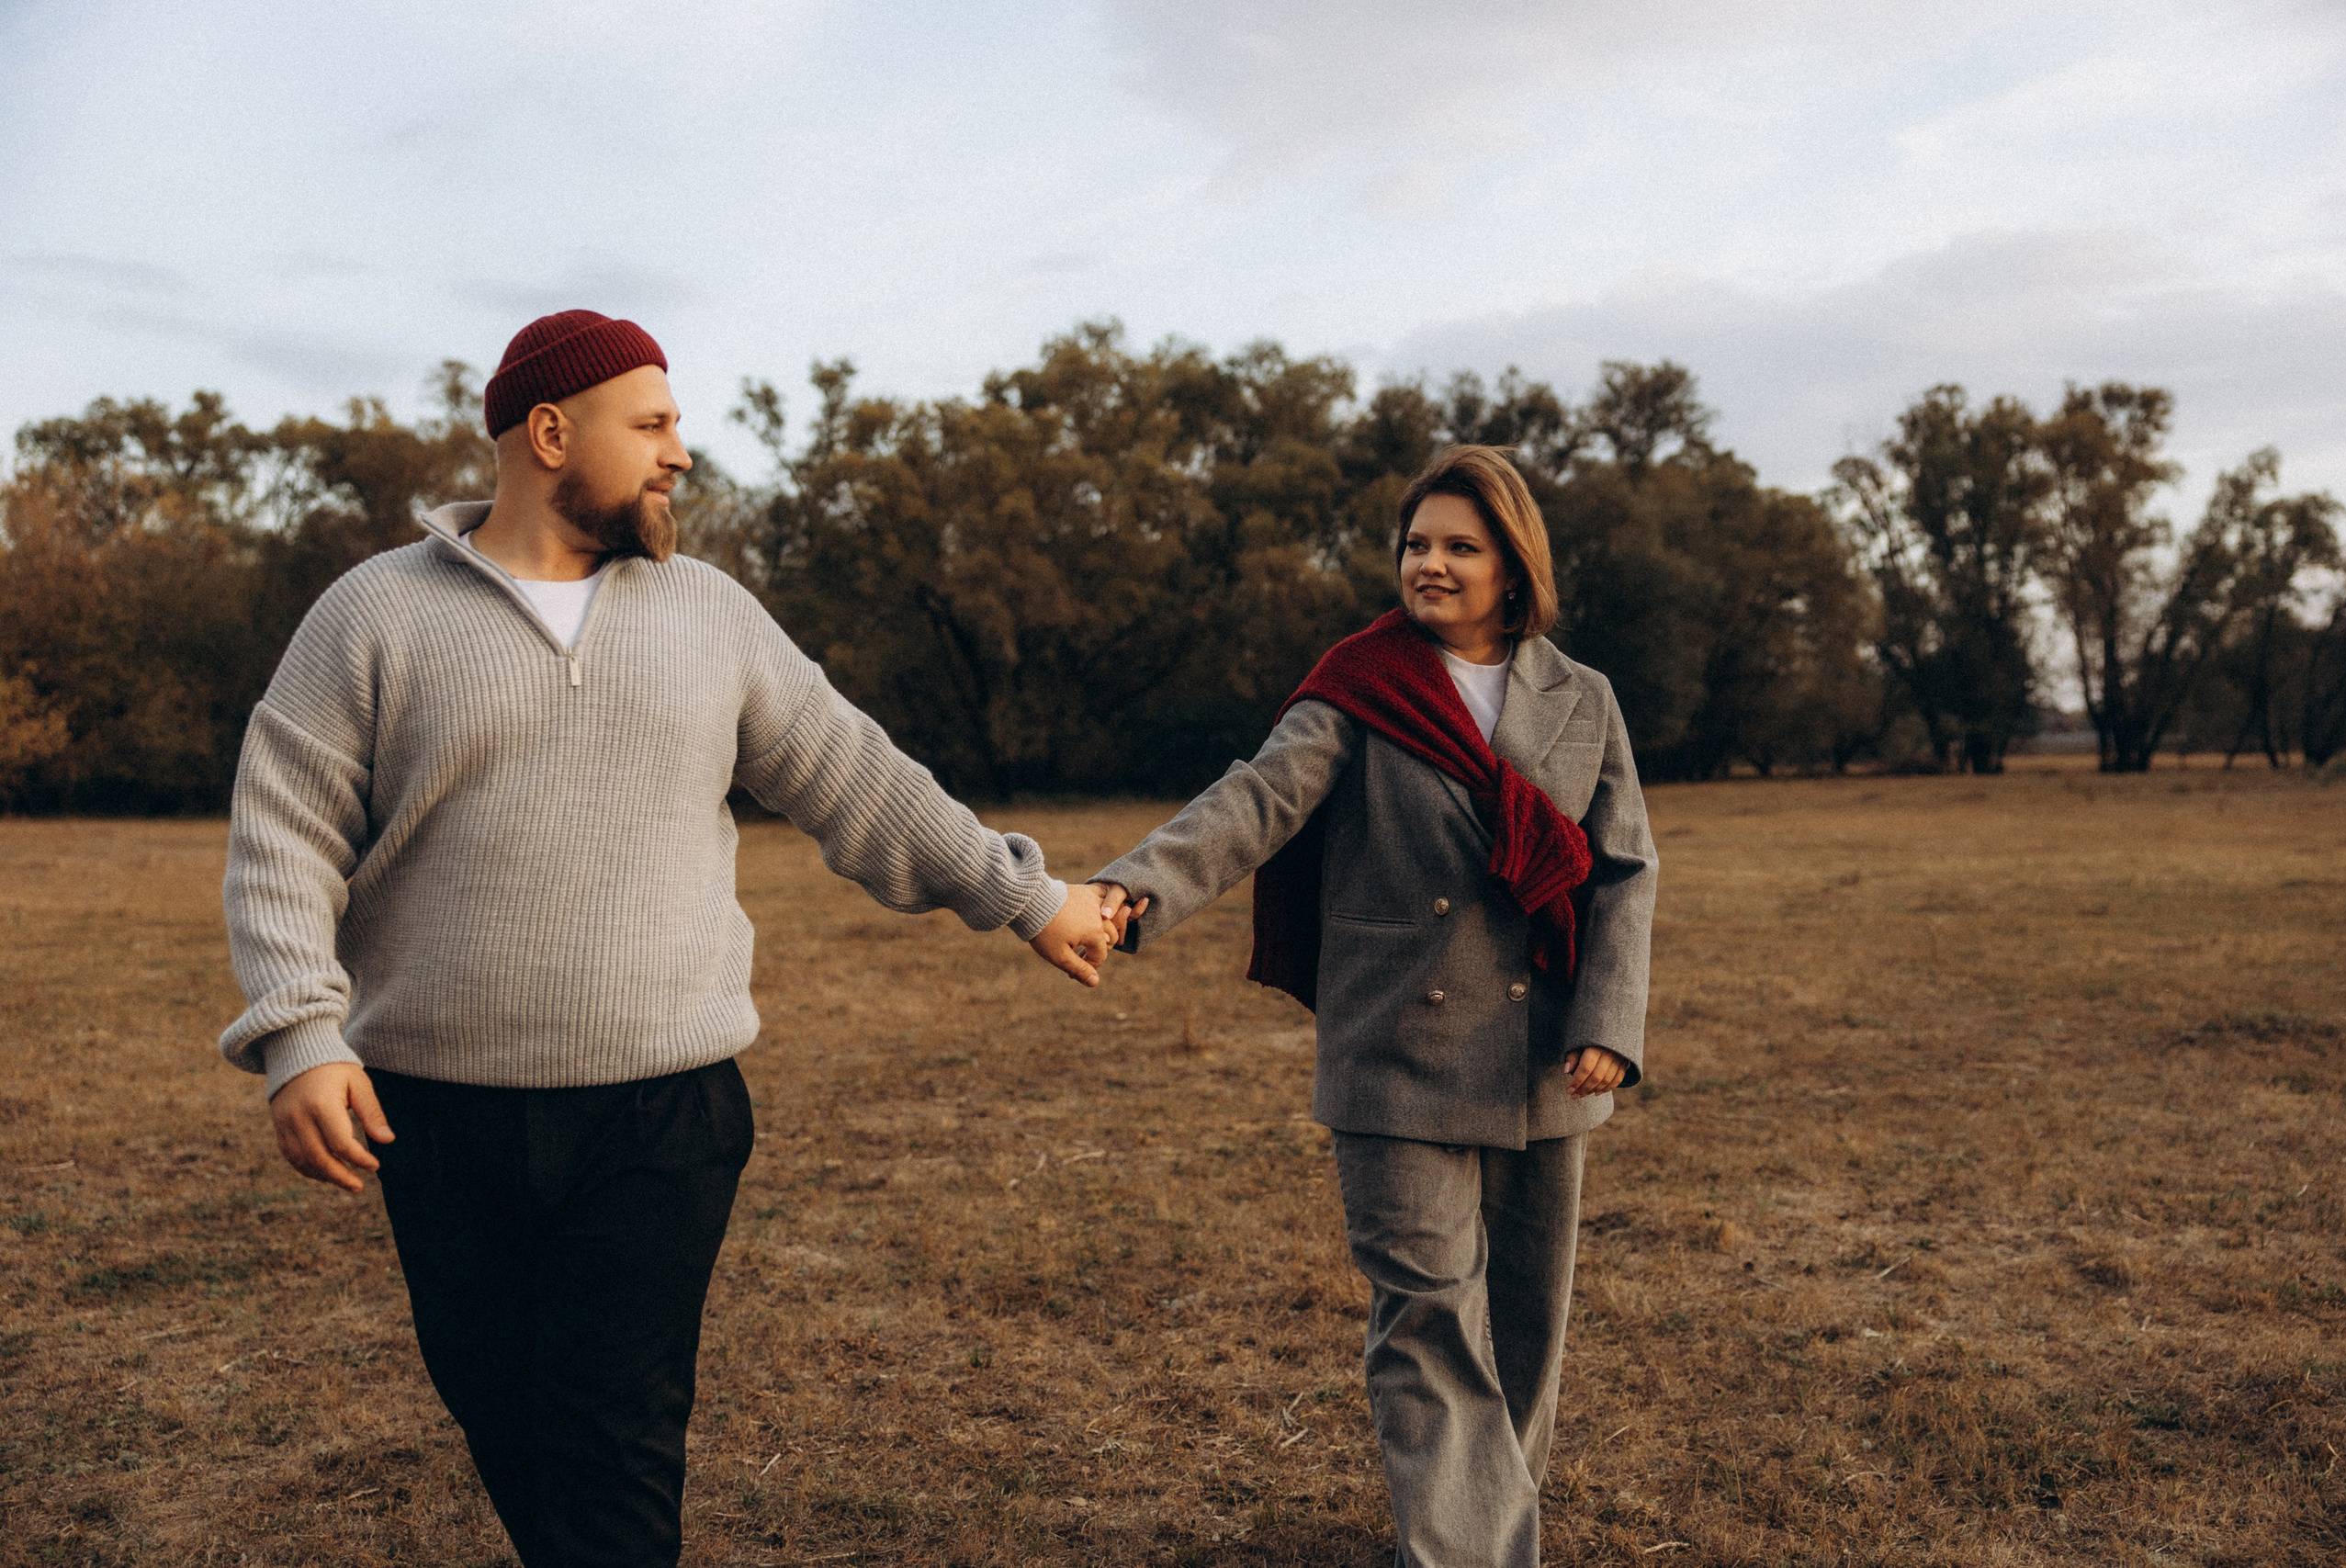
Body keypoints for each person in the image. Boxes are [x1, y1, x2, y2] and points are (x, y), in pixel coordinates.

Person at [218, 310, 1114, 1568]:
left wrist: (1027, 895)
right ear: (547, 432)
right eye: (653, 424)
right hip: (436, 1110)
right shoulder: (373, 614)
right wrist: (301, 1034)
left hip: (661, 1112)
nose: (680, 453)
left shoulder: (711, 614)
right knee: (502, 1409)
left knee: (614, 1435)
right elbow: (283, 830)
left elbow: (857, 778)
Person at [1090, 445, 1657, 1567]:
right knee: (1426, 1319)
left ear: (1511, 565)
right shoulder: (1362, 684)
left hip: (1546, 1049)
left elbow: (1622, 866)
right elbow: (1256, 799)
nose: (1430, 565)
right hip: (1394, 1043)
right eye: (1415, 545)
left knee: (1525, 1324)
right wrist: (1132, 887)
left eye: (1460, 546)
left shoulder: (1582, 698)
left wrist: (1610, 1023)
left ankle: (1480, 1523)